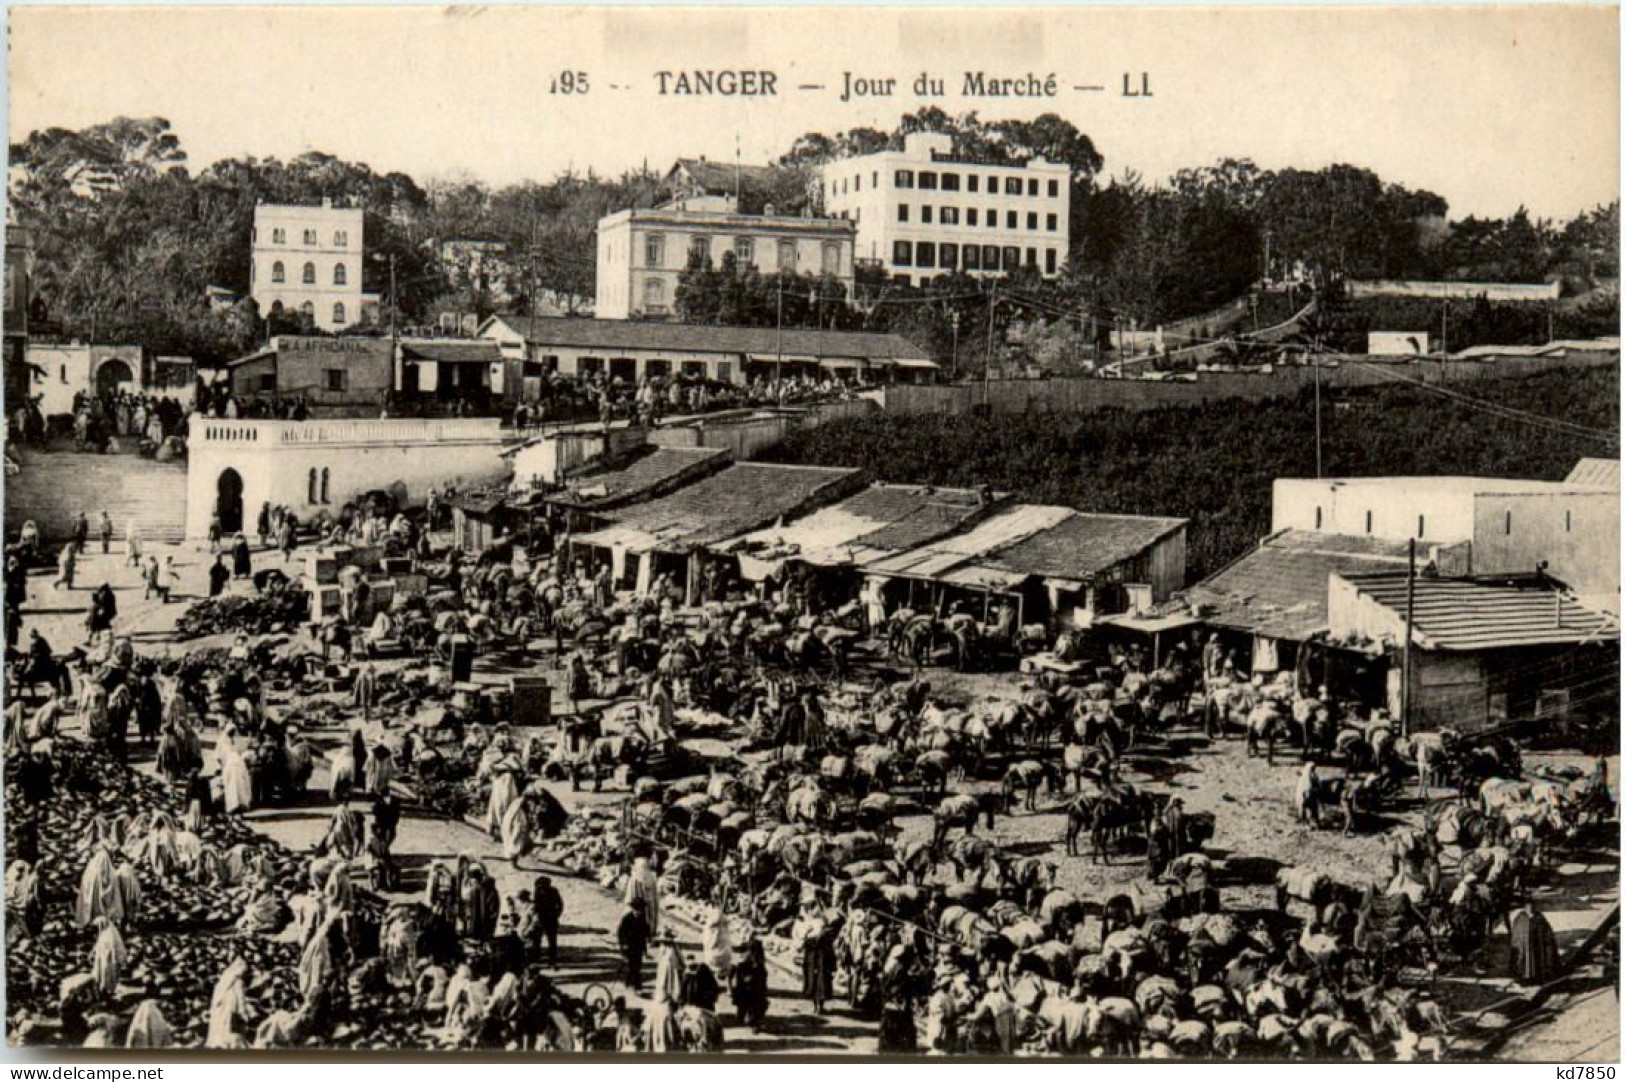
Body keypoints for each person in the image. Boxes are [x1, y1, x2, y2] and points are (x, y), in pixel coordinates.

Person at [1509, 900, 1560, 985]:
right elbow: (1516, 935)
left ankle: (1537, 978)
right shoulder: (1520, 918)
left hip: (1537, 947)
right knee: (1525, 962)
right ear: (1525, 907)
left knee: (1537, 962)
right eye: (1528, 906)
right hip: (1524, 948)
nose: (1530, 908)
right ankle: (1525, 978)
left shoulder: (1539, 918)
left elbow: (1547, 934)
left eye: (1532, 906)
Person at [617, 899, 651, 992]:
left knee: (637, 965)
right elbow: (621, 933)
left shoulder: (642, 917)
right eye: (639, 910)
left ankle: (629, 982)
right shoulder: (627, 918)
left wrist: (648, 939)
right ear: (634, 909)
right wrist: (623, 944)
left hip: (638, 945)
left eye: (642, 910)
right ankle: (637, 985)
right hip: (629, 946)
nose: (640, 912)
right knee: (632, 966)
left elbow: (645, 930)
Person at [533, 874, 564, 967]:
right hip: (542, 919)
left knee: (551, 941)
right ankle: (537, 959)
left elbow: (560, 904)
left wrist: (556, 914)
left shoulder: (553, 891)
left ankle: (552, 961)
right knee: (537, 940)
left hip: (550, 919)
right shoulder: (537, 891)